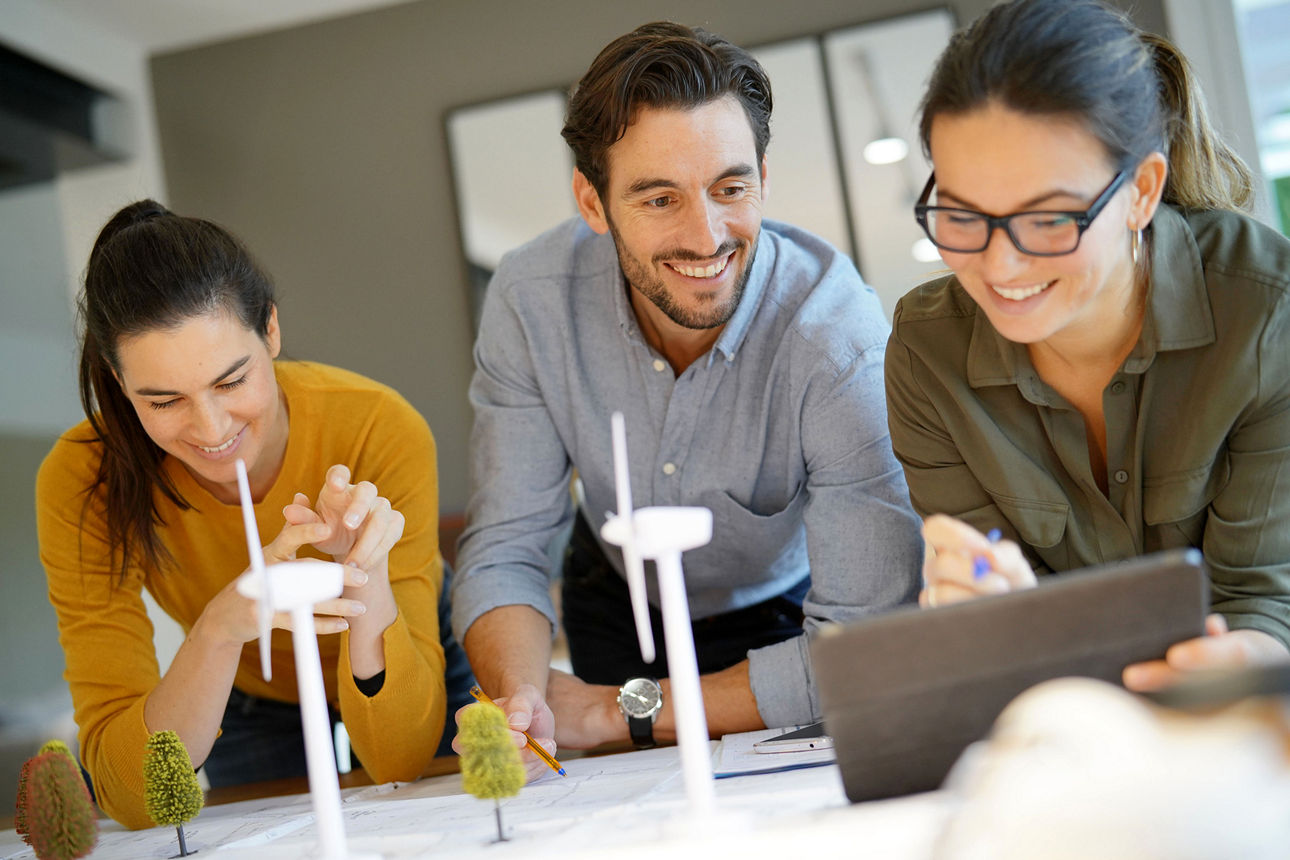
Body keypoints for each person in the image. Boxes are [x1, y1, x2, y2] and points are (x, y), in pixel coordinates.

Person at [451, 21, 922, 771]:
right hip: (612, 599)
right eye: (659, 198)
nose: (706, 238)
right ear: (593, 203)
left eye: (730, 188)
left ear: (762, 176)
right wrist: (524, 700)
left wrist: (618, 710)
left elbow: (861, 645)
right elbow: (506, 546)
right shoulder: (530, 300)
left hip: (784, 626)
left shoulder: (839, 341)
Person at [886, 0, 1290, 690]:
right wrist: (989, 609)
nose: (1000, 267)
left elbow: (1266, 601)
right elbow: (1004, 615)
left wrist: (1225, 665)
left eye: (1046, 219)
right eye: (960, 215)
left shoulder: (1266, 311)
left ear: (1141, 191)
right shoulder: (928, 354)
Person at [36, 200, 473, 829]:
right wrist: (218, 629)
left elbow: (398, 759)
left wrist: (366, 578)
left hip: (403, 656)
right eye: (163, 400)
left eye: (231, 381)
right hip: (245, 688)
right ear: (117, 379)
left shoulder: (377, 425)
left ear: (270, 329)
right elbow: (134, 799)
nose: (210, 430)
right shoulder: (82, 478)